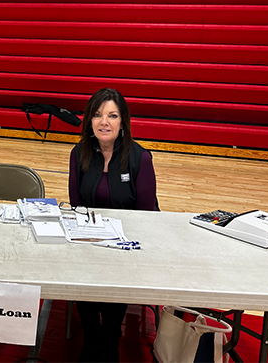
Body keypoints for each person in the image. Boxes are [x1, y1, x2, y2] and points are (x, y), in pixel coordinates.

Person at [68, 88, 157, 363]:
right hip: (89, 241)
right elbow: (76, 205)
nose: (103, 122)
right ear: (89, 121)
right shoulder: (79, 153)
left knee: (112, 280)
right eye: (97, 115)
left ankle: (110, 340)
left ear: (122, 122)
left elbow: (148, 215)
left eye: (112, 115)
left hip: (124, 247)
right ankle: (92, 337)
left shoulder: (140, 158)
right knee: (83, 273)